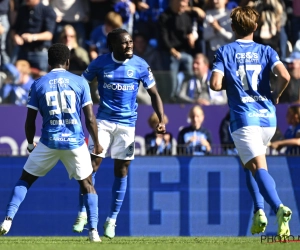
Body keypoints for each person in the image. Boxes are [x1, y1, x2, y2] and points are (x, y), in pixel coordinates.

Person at [0, 43, 103, 242]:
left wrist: (30, 144)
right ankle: (93, 232)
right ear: (68, 61)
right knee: (88, 185)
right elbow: (90, 118)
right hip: (74, 142)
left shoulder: (38, 84)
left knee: (25, 180)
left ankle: (7, 220)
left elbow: (30, 121)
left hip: (49, 141)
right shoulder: (80, 82)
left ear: (48, 63)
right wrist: (97, 142)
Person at [72, 28, 166, 239]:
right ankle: (82, 213)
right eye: (124, 43)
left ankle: (112, 219)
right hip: (103, 122)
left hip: (127, 126)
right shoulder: (99, 63)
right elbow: (81, 85)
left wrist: (160, 118)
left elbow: (154, 94)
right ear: (113, 45)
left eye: (131, 41)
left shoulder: (141, 65)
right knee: (90, 167)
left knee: (121, 170)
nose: (129, 45)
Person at [210, 6, 292, 237]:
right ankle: (259, 211)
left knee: (256, 167)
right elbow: (285, 76)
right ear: (256, 27)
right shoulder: (267, 50)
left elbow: (215, 84)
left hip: (245, 118)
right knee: (252, 164)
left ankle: (278, 208)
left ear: (232, 27)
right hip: (267, 119)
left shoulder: (225, 51)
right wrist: (276, 94)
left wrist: (232, 83)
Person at [11, 0, 56, 72]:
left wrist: (33, 37)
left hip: (39, 52)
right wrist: (16, 37)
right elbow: (14, 29)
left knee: (40, 79)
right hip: (23, 51)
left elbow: (49, 35)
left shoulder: (47, 10)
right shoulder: (22, 9)